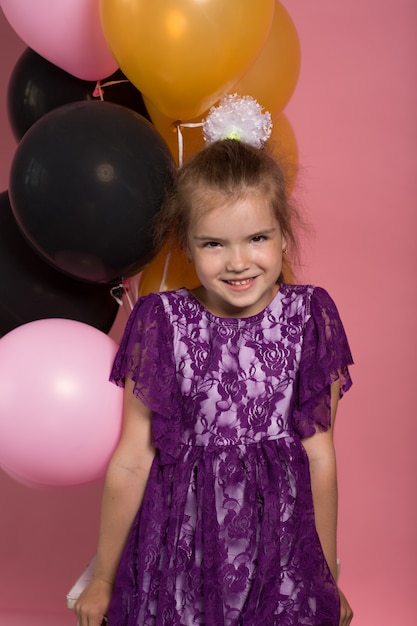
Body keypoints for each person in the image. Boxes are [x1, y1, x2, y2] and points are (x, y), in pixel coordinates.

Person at [74, 100, 354, 626]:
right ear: (186, 243)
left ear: (283, 232)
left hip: (281, 555)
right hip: (183, 555)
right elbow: (133, 459)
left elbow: (320, 457)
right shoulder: (162, 322)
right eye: (214, 244)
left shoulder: (309, 318)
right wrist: (105, 578)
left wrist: (327, 575)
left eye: (257, 238)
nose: (238, 261)